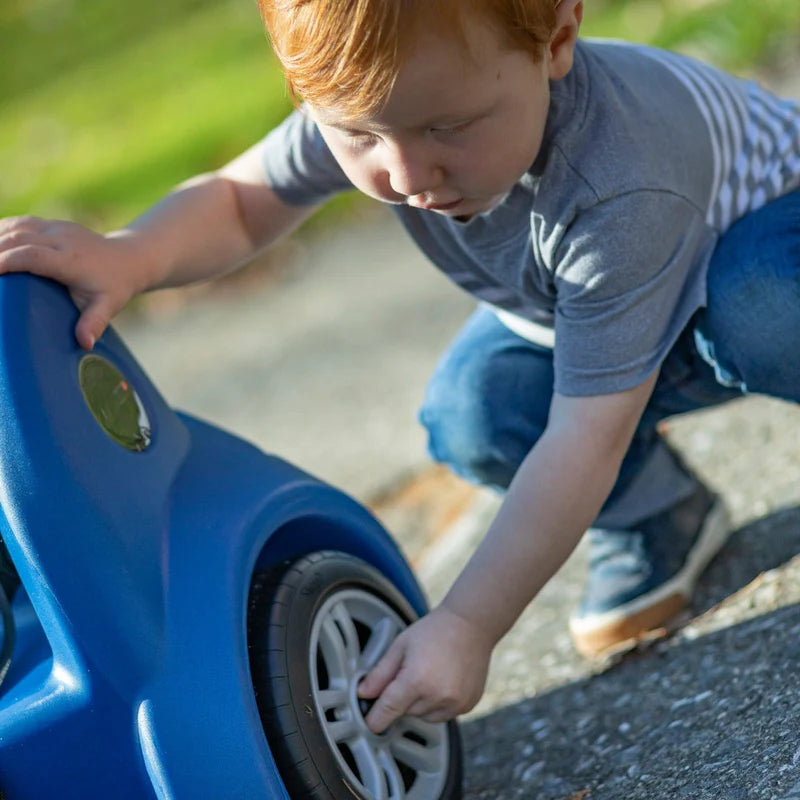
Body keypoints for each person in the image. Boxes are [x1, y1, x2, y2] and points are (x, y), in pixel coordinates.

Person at [1, 0, 798, 736]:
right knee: (473, 410)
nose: (408, 177)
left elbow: (587, 434)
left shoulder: (622, 180)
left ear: (556, 39)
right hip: (620, 313)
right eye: (359, 137)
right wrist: (131, 256)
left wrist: (468, 624)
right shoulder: (394, 98)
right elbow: (244, 202)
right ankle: (662, 515)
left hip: (768, 249)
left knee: (761, 307)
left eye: (450, 127)